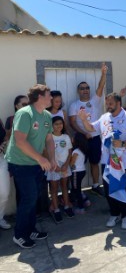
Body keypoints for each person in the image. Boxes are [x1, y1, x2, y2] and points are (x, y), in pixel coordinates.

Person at [78, 92, 126, 229]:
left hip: (124, 163)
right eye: (107, 103)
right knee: (108, 190)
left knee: (121, 189)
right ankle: (114, 214)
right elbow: (91, 128)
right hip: (107, 162)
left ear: (119, 103)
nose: (108, 106)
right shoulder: (105, 117)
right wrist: (83, 120)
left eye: (111, 103)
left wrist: (123, 144)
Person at [5, 84, 56, 249]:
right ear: (40, 97)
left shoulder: (47, 115)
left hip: (35, 162)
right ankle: (19, 235)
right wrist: (41, 159)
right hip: (20, 163)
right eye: (49, 95)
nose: (52, 98)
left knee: (33, 198)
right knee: (28, 198)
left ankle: (30, 230)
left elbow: (49, 139)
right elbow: (20, 141)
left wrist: (52, 159)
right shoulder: (24, 113)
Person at [69, 63, 108, 196]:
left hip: (95, 137)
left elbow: (101, 86)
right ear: (78, 91)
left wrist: (103, 74)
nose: (85, 90)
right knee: (78, 164)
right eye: (82, 88)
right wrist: (84, 133)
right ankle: (76, 190)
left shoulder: (95, 100)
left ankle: (96, 185)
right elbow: (72, 123)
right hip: (81, 138)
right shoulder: (74, 105)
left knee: (94, 162)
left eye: (87, 88)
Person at [47, 116, 74, 223]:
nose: (59, 126)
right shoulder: (49, 137)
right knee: (53, 189)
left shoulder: (66, 137)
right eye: (56, 124)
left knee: (64, 187)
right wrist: (55, 166)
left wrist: (66, 165)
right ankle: (56, 209)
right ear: (51, 126)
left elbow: (70, 152)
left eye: (61, 123)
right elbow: (46, 153)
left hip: (64, 166)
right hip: (54, 167)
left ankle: (67, 206)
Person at [70, 133, 89, 215]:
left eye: (73, 138)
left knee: (76, 190)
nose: (71, 139)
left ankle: (81, 208)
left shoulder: (75, 151)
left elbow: (72, 163)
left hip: (76, 173)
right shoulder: (82, 150)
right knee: (77, 188)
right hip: (82, 171)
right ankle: (86, 201)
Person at [0, 118, 11, 229]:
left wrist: (4, 143)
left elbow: (5, 135)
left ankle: (0, 217)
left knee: (4, 193)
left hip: (1, 160)